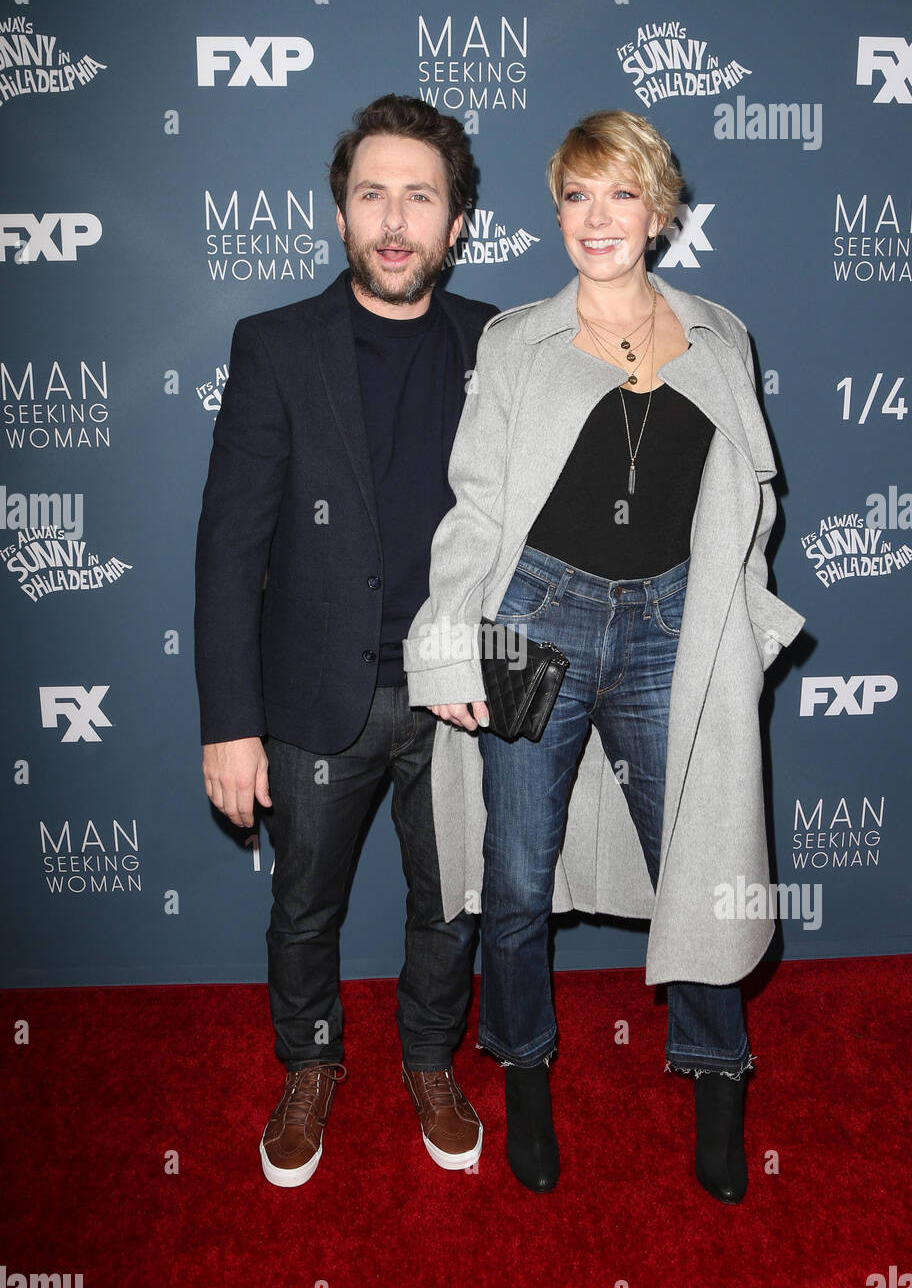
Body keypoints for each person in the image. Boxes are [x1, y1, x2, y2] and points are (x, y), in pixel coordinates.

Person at [403, 110, 805, 1199]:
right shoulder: (516, 340)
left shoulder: (721, 335)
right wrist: (447, 651)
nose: (596, 218)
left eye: (619, 194)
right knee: (517, 874)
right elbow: (476, 512)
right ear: (558, 210)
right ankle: (524, 1075)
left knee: (705, 864)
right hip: (535, 618)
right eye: (577, 195)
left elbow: (750, 501)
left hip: (673, 625)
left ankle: (719, 1078)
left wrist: (746, 619)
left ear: (659, 211)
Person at [195, 94, 497, 1186]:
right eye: (372, 193)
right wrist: (230, 723)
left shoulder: (502, 346)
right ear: (339, 212)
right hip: (320, 693)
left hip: (458, 694)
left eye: (421, 196)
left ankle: (428, 1056)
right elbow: (229, 546)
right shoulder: (274, 346)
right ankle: (310, 1059)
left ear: (456, 222)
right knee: (304, 905)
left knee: (449, 903)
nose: (395, 219)